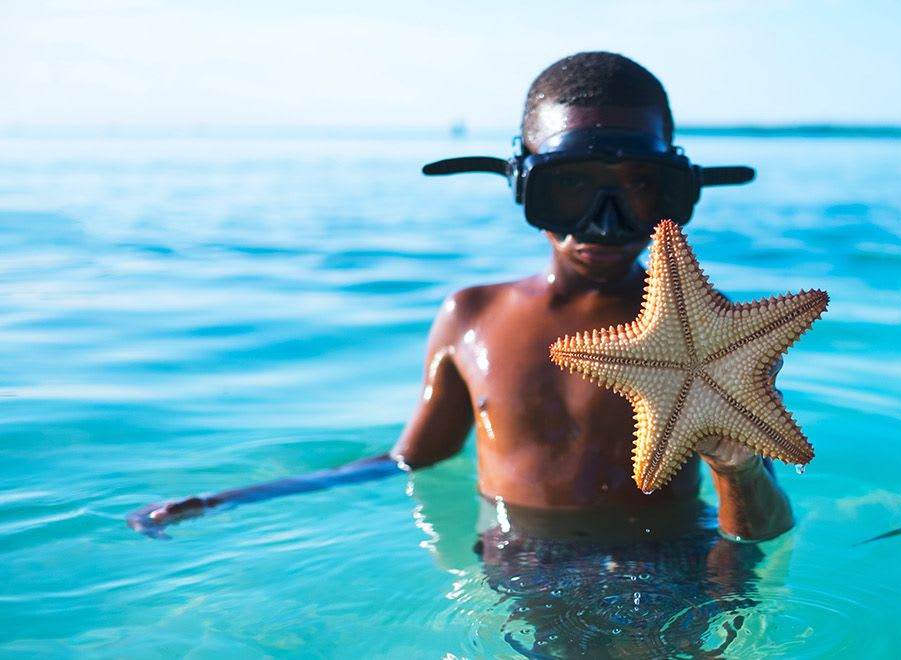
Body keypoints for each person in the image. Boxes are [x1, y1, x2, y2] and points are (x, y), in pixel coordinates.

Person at [127, 52, 794, 545]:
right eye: (570, 189)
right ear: (521, 183)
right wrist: (233, 499)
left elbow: (759, 528)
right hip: (520, 569)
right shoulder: (471, 318)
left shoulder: (718, 336)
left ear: (681, 191)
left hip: (675, 571)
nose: (606, 221)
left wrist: (736, 465)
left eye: (644, 188)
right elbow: (407, 460)